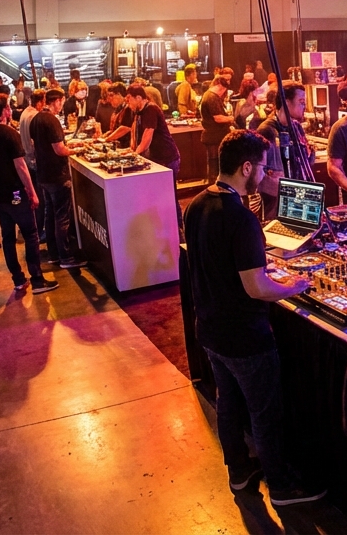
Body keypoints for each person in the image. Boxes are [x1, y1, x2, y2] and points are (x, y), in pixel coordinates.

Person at [184, 129, 323, 508]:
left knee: (227, 402)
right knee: (265, 412)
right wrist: (293, 286)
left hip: (210, 330)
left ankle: (239, 471)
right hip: (244, 337)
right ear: (246, 167)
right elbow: (256, 287)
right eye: (262, 167)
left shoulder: (195, 204)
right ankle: (281, 487)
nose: (264, 174)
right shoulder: (240, 218)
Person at [0, 98, 52, 294]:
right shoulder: (10, 134)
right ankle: (37, 279)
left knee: (8, 237)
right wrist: (32, 191)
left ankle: (18, 279)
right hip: (15, 194)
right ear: (5, 111)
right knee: (31, 234)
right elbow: (21, 166)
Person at [30, 88, 85, 271]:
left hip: (43, 175)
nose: (62, 105)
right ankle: (66, 257)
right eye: (61, 101)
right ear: (57, 101)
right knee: (62, 217)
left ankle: (53, 254)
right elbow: (59, 150)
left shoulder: (36, 118)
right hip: (57, 175)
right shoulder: (51, 120)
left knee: (50, 215)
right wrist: (77, 150)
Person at [128, 84, 181, 175]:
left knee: (167, 189)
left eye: (129, 99)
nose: (128, 104)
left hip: (166, 159)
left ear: (138, 98)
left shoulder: (150, 109)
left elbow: (147, 137)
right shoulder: (140, 112)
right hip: (157, 158)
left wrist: (134, 155)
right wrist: (131, 150)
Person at [199, 75, 233, 181]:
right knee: (215, 163)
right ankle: (214, 186)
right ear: (218, 85)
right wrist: (230, 118)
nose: (223, 92)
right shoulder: (212, 97)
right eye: (223, 89)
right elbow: (218, 118)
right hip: (214, 136)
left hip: (213, 135)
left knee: (214, 162)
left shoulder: (208, 95)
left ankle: (213, 184)